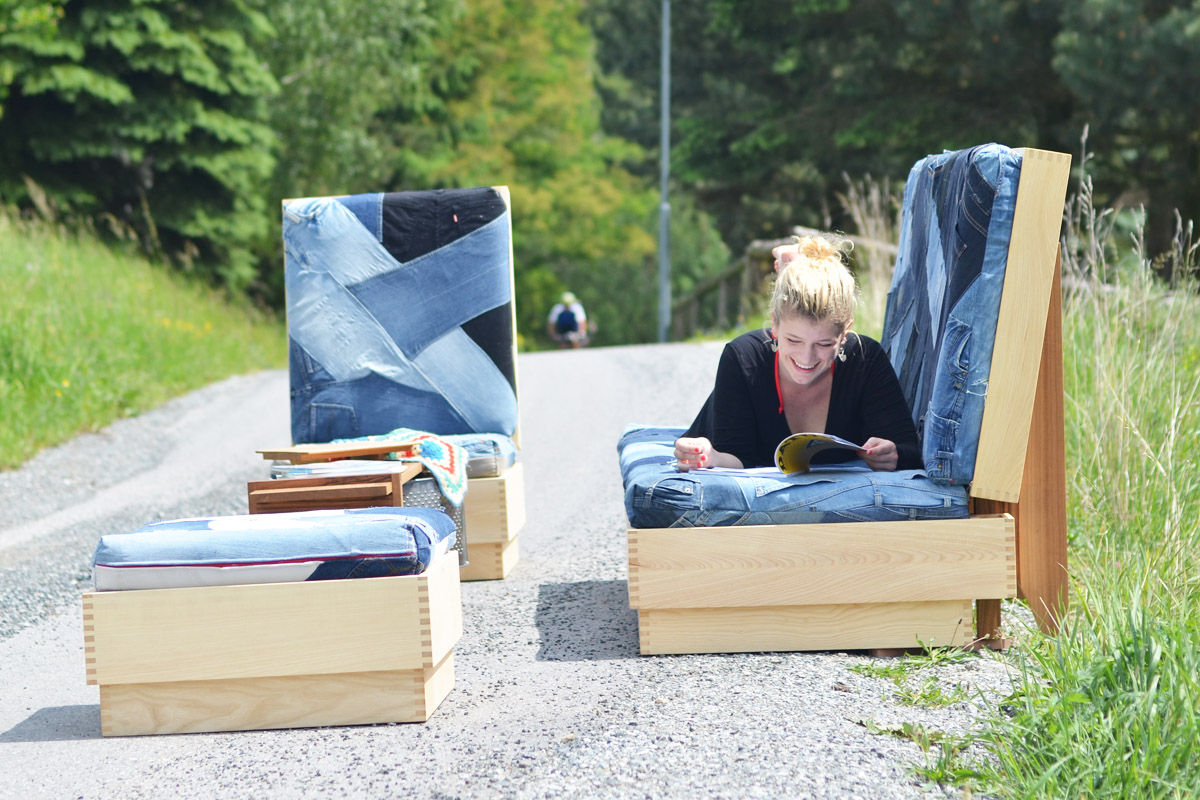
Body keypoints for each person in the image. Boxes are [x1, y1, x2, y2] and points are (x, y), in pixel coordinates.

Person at [674, 234, 920, 472]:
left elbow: (909, 449)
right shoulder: (743, 358)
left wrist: (892, 454)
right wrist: (710, 456)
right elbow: (737, 457)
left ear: (845, 333)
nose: (806, 358)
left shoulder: (865, 359)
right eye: (793, 340)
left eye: (824, 344)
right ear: (775, 325)